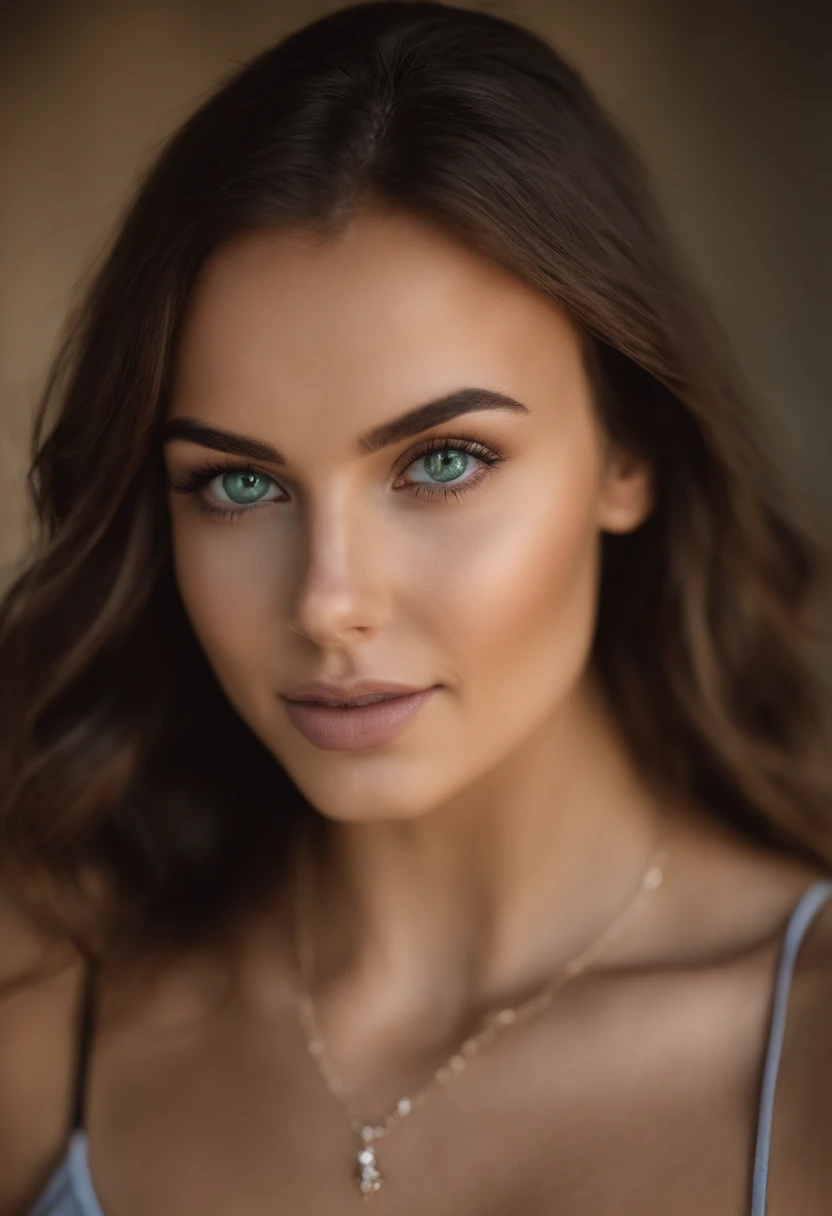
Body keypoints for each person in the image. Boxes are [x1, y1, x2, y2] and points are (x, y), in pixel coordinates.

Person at [0, 1, 830, 1212]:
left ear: (627, 454)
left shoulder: (802, 1057)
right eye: (238, 483)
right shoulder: (50, 1024)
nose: (330, 601)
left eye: (441, 461)